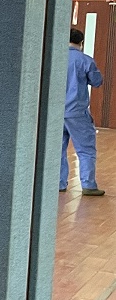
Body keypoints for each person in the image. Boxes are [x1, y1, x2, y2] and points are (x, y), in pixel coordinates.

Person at [62, 27, 104, 196]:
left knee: (57, 150)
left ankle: (59, 183)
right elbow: (97, 81)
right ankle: (88, 185)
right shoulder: (85, 60)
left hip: (55, 113)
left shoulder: (55, 58)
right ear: (81, 42)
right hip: (77, 112)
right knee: (86, 149)